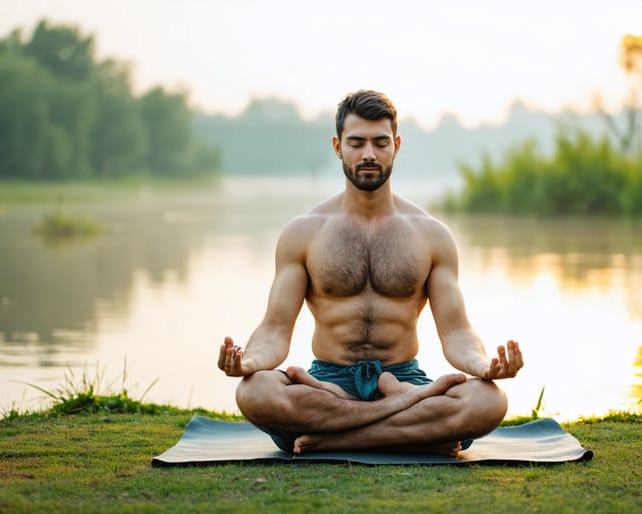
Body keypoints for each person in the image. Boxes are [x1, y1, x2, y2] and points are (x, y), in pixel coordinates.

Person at [218, 90, 523, 456]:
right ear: (337, 146)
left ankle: (339, 438)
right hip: (328, 382)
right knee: (255, 390)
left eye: (380, 143)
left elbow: (456, 329)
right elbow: (276, 327)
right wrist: (250, 361)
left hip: (402, 377)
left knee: (488, 400)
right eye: (356, 142)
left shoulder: (431, 235)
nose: (368, 154)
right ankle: (410, 425)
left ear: (395, 145)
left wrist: (483, 365)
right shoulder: (303, 232)